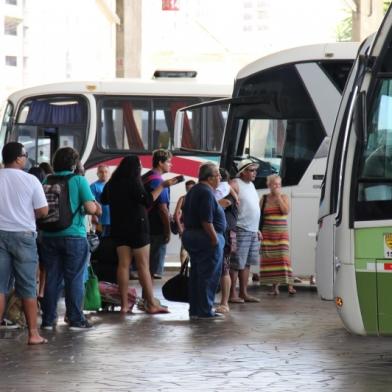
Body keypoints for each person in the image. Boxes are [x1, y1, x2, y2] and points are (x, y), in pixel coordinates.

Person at [101, 155, 177, 314]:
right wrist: (162, 186)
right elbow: (148, 201)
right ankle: (151, 304)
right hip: (138, 228)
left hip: (119, 228)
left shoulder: (113, 183)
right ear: (134, 168)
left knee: (123, 265)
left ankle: (123, 305)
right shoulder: (134, 182)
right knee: (143, 266)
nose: (141, 167)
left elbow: (104, 199)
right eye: (140, 165)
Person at [40, 147, 101, 330]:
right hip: (74, 235)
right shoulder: (78, 180)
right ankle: (75, 319)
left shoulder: (47, 179)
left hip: (49, 235)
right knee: (74, 278)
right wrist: (94, 206)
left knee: (52, 278)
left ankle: (48, 320)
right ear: (74, 164)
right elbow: (91, 209)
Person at [0, 142, 49, 344]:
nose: (26, 158)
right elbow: (43, 211)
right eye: (25, 155)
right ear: (19, 158)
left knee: (0, 287)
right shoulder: (31, 180)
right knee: (28, 286)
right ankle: (33, 334)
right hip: (24, 236)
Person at [182, 162, 226, 320]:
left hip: (192, 236)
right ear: (210, 178)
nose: (220, 178)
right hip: (206, 237)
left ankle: (195, 309)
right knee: (209, 275)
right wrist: (214, 239)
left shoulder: (194, 190)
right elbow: (206, 220)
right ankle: (205, 310)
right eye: (218, 175)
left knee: (197, 275)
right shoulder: (206, 192)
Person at [229, 159, 261, 304]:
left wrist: (257, 229)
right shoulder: (235, 183)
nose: (255, 173)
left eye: (255, 170)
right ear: (242, 172)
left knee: (247, 263)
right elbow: (226, 191)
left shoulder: (251, 184)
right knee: (236, 263)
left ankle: (244, 292)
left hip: (252, 230)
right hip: (241, 229)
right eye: (252, 170)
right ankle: (232, 294)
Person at [259, 174, 296, 295]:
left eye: (279, 184)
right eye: (274, 184)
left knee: (283, 259)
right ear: (269, 185)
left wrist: (278, 197)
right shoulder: (264, 198)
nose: (277, 186)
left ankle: (290, 284)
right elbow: (259, 215)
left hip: (281, 234)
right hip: (267, 234)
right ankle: (274, 288)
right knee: (270, 260)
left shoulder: (284, 197)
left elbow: (285, 211)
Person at [143, 149, 172, 279]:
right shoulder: (159, 182)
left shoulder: (146, 177)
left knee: (145, 265)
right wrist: (167, 230)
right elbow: (162, 208)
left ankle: (146, 297)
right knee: (152, 270)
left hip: (145, 225)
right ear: (160, 163)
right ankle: (148, 298)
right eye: (169, 162)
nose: (171, 165)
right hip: (156, 228)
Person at [213, 169, 239, 314]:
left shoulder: (229, 195)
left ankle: (224, 303)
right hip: (220, 234)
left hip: (227, 235)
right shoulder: (220, 193)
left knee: (224, 269)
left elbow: (219, 204)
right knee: (219, 268)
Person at [174, 180, 196, 264]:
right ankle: (183, 271)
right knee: (184, 248)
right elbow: (176, 214)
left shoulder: (198, 198)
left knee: (190, 249)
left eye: (190, 188)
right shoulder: (183, 198)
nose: (189, 190)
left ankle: (188, 271)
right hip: (186, 227)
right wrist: (180, 227)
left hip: (195, 227)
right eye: (187, 189)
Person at [90, 165, 111, 237]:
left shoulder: (113, 185)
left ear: (109, 173)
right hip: (101, 221)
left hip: (114, 220)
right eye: (101, 172)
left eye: (106, 172)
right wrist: (93, 216)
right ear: (97, 174)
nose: (104, 174)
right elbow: (91, 202)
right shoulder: (94, 186)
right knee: (102, 243)